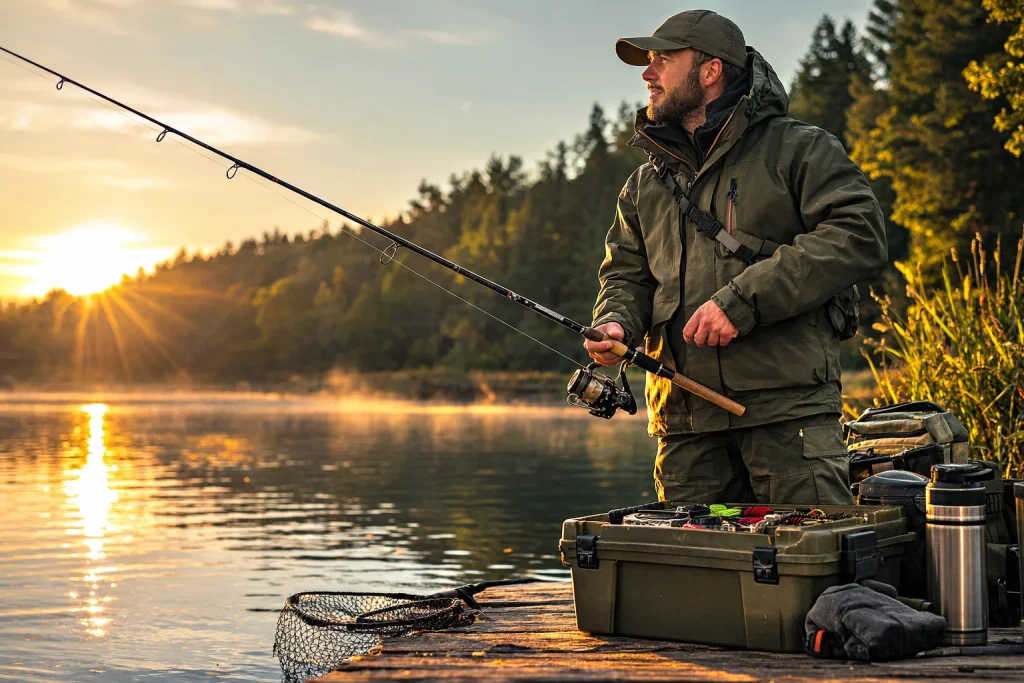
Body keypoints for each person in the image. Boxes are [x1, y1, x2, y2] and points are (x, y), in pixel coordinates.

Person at [584, 9, 887, 505]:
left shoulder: (800, 149)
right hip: (683, 425)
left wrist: (743, 301)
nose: (647, 74)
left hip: (788, 418)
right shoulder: (644, 186)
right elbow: (625, 276)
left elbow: (858, 232)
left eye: (662, 59)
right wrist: (616, 323)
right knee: (692, 577)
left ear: (710, 71)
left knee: (808, 571)